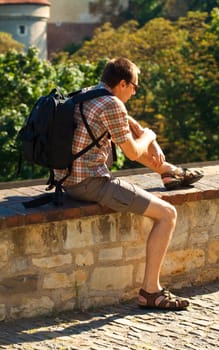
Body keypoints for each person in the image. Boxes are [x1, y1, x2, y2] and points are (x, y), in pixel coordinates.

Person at [54, 57, 203, 310]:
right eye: (135, 86)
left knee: (135, 139)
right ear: (123, 83)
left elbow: (127, 122)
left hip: (69, 179)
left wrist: (144, 135)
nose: (135, 91)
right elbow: (133, 153)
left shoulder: (90, 93)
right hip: (90, 184)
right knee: (168, 214)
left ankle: (168, 172)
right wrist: (150, 135)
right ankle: (150, 292)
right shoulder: (111, 104)